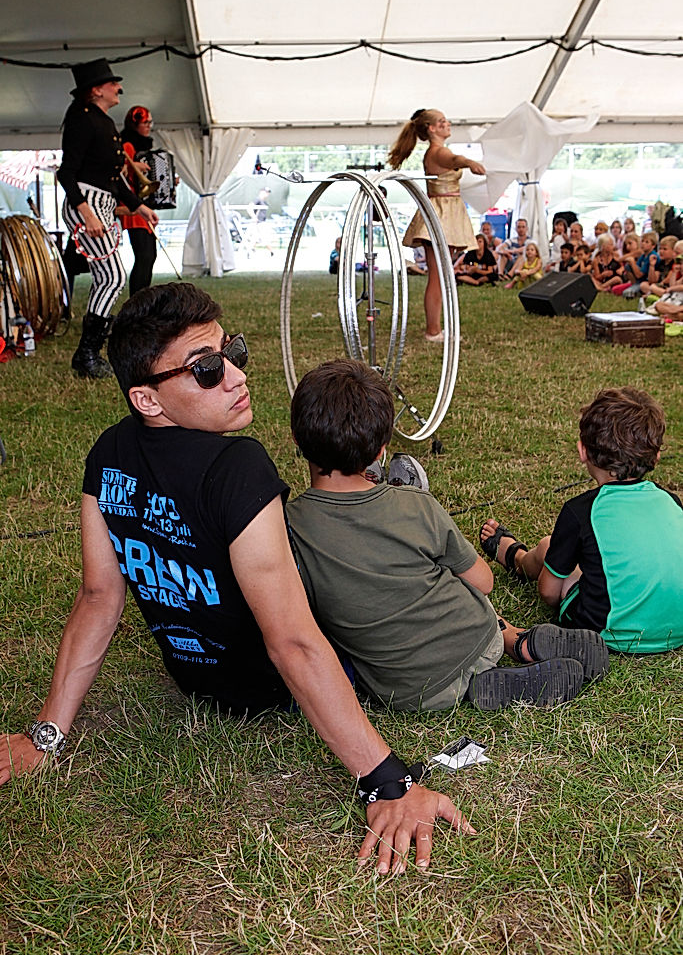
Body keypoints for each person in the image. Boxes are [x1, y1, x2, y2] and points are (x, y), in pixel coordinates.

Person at [0, 282, 471, 876]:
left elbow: (99, 596)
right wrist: (388, 783)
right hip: (269, 686)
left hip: (199, 679)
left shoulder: (108, 454)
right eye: (206, 369)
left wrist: (45, 735)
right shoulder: (237, 466)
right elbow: (292, 641)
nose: (235, 376)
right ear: (147, 398)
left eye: (232, 353)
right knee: (362, 548)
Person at [287, 359, 607, 713]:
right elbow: (484, 582)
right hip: (479, 641)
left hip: (405, 692)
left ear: (296, 439)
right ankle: (518, 643)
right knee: (456, 574)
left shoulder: (288, 526)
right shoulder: (416, 505)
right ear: (381, 450)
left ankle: (504, 660)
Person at [480, 387, 683, 654]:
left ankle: (517, 559)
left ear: (582, 451)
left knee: (547, 547)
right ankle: (518, 557)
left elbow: (549, 592)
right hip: (676, 631)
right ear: (656, 455)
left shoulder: (580, 511)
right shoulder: (673, 501)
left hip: (605, 634)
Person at [57, 58, 158, 379]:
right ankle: (87, 354)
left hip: (101, 203)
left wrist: (139, 207)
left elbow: (113, 179)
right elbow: (66, 173)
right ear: (96, 90)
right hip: (86, 204)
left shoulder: (102, 121)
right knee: (112, 276)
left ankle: (88, 353)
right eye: (113, 83)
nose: (119, 87)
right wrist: (85, 212)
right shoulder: (82, 120)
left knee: (108, 277)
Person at [388, 109, 485, 342]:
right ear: (431, 128)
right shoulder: (438, 152)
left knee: (441, 273)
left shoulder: (436, 151)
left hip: (446, 211)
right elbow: (453, 161)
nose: (447, 124)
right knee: (438, 275)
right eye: (442, 122)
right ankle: (433, 330)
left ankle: (436, 328)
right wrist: (469, 162)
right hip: (442, 213)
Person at [120, 105, 158, 296]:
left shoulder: (143, 146)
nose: (149, 126)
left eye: (150, 122)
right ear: (135, 124)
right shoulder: (127, 145)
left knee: (149, 256)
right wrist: (134, 165)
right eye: (146, 122)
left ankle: (142, 298)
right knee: (144, 256)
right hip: (132, 207)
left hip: (142, 206)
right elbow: (119, 171)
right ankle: (138, 300)